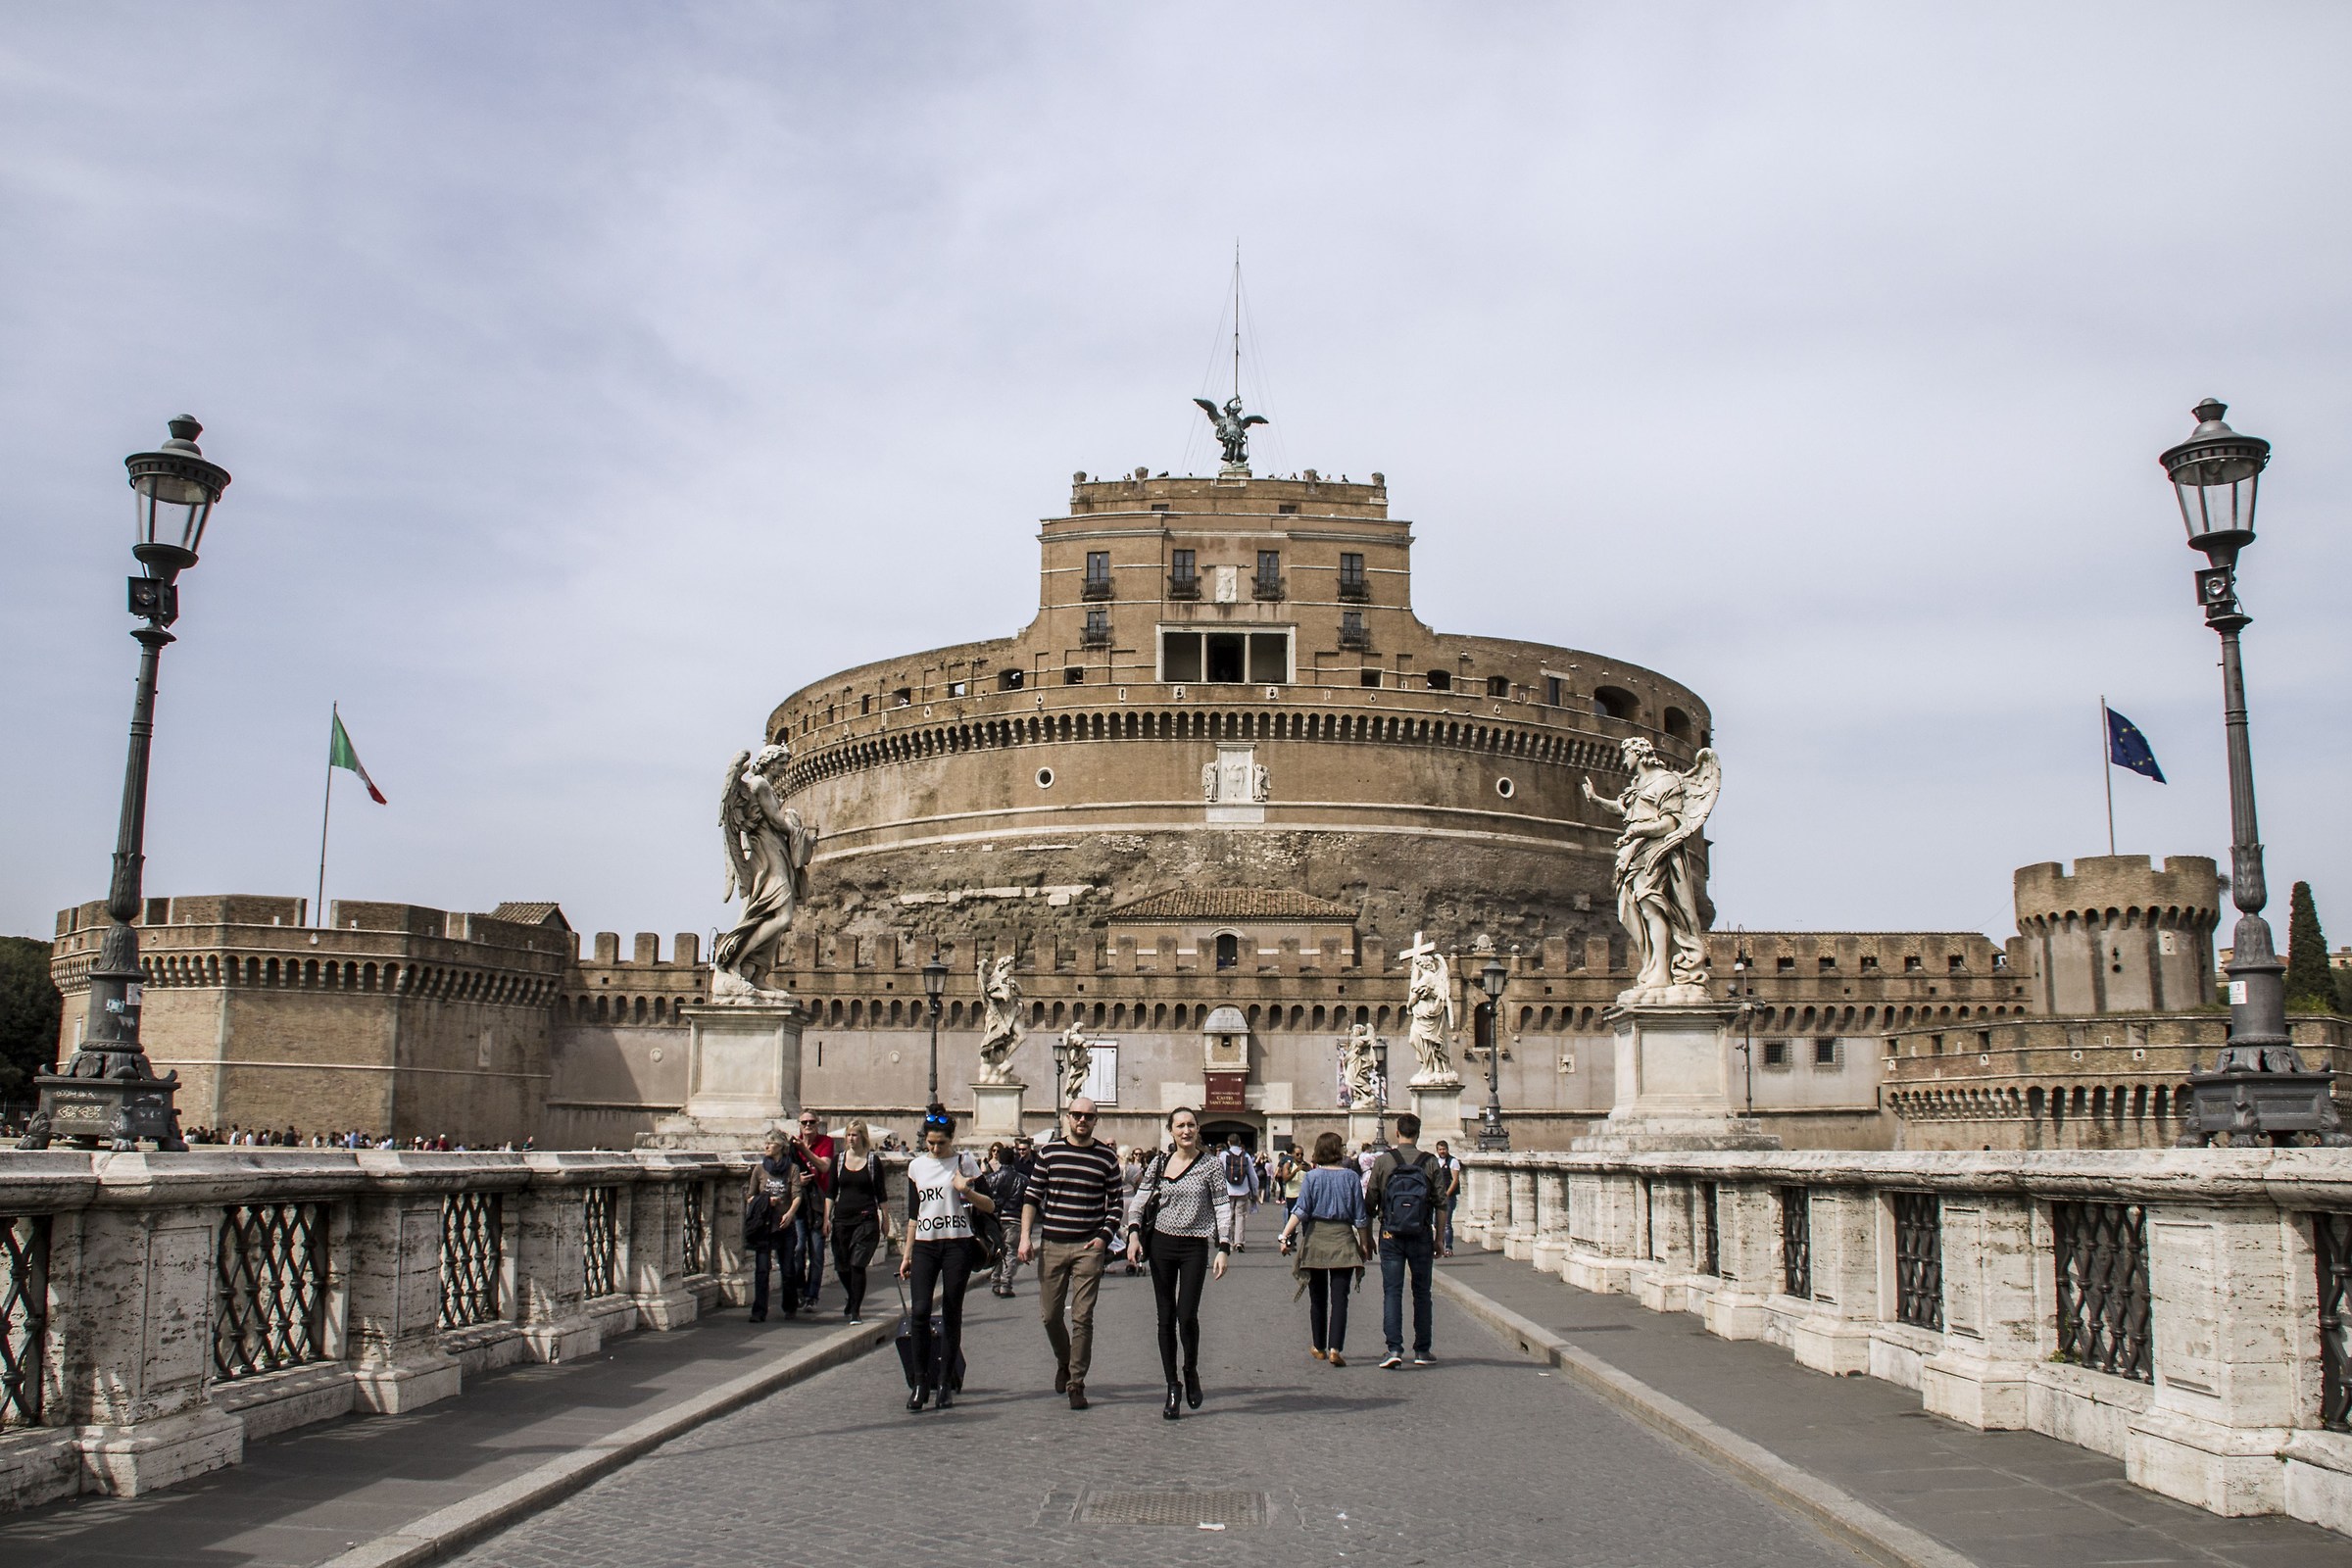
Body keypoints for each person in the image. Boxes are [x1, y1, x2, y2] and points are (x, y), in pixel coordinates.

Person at [1123, 1106, 1233, 1419]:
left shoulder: (1211, 1166)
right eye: (1180, 1125)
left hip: (1194, 1247)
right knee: (1165, 1317)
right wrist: (1133, 1235)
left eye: (1191, 1125)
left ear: (1198, 1130)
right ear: (1170, 1130)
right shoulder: (1158, 1164)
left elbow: (1222, 1207)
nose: (1186, 1130)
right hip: (1161, 1246)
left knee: (1186, 1316)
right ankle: (1172, 1385)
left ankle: (1190, 1369)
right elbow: (1139, 1203)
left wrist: (1223, 1247)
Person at [1018, 1095, 1123, 1410]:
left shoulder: (1106, 1158)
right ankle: (1063, 1361)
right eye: (1076, 1115)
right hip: (1051, 1244)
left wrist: (1104, 1238)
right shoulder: (1049, 1153)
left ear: (1095, 1121)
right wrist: (1025, 1238)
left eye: (1088, 1116)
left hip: (1088, 1247)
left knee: (1082, 1318)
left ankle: (1076, 1382)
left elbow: (1116, 1203)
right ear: (1067, 1117)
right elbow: (1032, 1196)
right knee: (1050, 1316)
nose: (1081, 1120)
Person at [898, 1107, 993, 1411]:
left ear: (951, 1140)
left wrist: (967, 1189)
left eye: (940, 1143)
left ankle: (944, 1383)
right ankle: (920, 1382)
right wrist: (906, 1253)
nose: (935, 1148)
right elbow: (914, 1215)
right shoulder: (916, 1167)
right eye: (930, 1143)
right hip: (925, 1244)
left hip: (957, 1244)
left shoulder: (965, 1163)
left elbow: (990, 1206)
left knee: (952, 1311)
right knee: (921, 1312)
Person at [1278, 1130, 1372, 1365]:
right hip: (1342, 1238)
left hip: (1316, 1238)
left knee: (1317, 1297)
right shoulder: (1351, 1177)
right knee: (1340, 1297)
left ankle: (1319, 1346)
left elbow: (1301, 1210)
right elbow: (1360, 1216)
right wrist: (1364, 1243)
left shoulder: (1312, 1177)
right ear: (1338, 1151)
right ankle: (1335, 1348)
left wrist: (1285, 1235)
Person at [1364, 1111, 1442, 1368]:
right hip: (1421, 1234)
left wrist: (1368, 1238)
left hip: (1390, 1234)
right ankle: (1422, 1350)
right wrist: (1440, 1238)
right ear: (1418, 1133)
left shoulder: (1384, 1161)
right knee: (1422, 1292)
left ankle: (1394, 1348)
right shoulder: (1430, 1162)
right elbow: (1442, 1204)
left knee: (1392, 1291)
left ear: (1397, 1133)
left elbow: (1370, 1202)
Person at [828, 1119, 885, 1323]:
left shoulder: (872, 1161)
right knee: (842, 1266)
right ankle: (852, 1296)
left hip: (866, 1219)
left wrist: (885, 1219)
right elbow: (831, 1192)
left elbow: (881, 1194)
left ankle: (855, 1311)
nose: (851, 1138)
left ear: (863, 1137)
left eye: (855, 1134)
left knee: (857, 1264)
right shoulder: (838, 1161)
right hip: (842, 1219)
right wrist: (827, 1218)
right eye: (849, 1135)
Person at [743, 1133, 805, 1322]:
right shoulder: (759, 1169)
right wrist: (767, 1201)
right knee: (762, 1270)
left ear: (781, 1146)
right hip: (764, 1225)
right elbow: (750, 1196)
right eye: (766, 1142)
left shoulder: (792, 1169)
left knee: (787, 1269)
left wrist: (790, 1214)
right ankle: (759, 1311)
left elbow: (797, 1194)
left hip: (784, 1224)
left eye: (771, 1143)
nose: (767, 1146)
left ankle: (790, 1306)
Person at [794, 1110, 836, 1309]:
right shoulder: (792, 1146)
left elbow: (824, 1167)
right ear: (799, 1125)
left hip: (819, 1206)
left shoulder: (826, 1142)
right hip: (800, 1205)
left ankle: (812, 1296)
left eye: (811, 1122)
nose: (808, 1125)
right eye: (804, 1122)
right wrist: (797, 1181)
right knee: (798, 1248)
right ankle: (800, 1289)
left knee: (817, 1252)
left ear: (817, 1124)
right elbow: (786, 1173)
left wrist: (806, 1149)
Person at [985, 1140, 1032, 1298]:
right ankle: (1006, 1284)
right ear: (1013, 1159)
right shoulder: (1023, 1180)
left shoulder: (991, 1179)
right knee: (1011, 1252)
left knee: (998, 1250)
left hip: (997, 1220)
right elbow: (1029, 1202)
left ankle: (995, 1280)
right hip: (1014, 1219)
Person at [1219, 1134, 1261, 1250]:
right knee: (1241, 1216)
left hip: (1227, 1190)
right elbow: (1253, 1176)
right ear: (1239, 1142)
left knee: (1228, 1216)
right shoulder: (1246, 1156)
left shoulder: (1223, 1155)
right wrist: (1255, 1191)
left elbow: (1218, 1174)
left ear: (1228, 1142)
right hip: (1243, 1190)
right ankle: (1239, 1241)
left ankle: (1229, 1240)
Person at [1432, 1139, 1464, 1256]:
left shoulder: (1453, 1161)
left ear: (1447, 1149)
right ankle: (1440, 1245)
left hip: (1448, 1197)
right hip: (1437, 1197)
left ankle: (1448, 1248)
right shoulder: (1435, 1161)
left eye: (1444, 1149)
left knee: (1446, 1223)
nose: (1442, 1151)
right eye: (1440, 1149)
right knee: (1436, 1223)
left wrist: (1446, 1194)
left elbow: (1455, 1180)